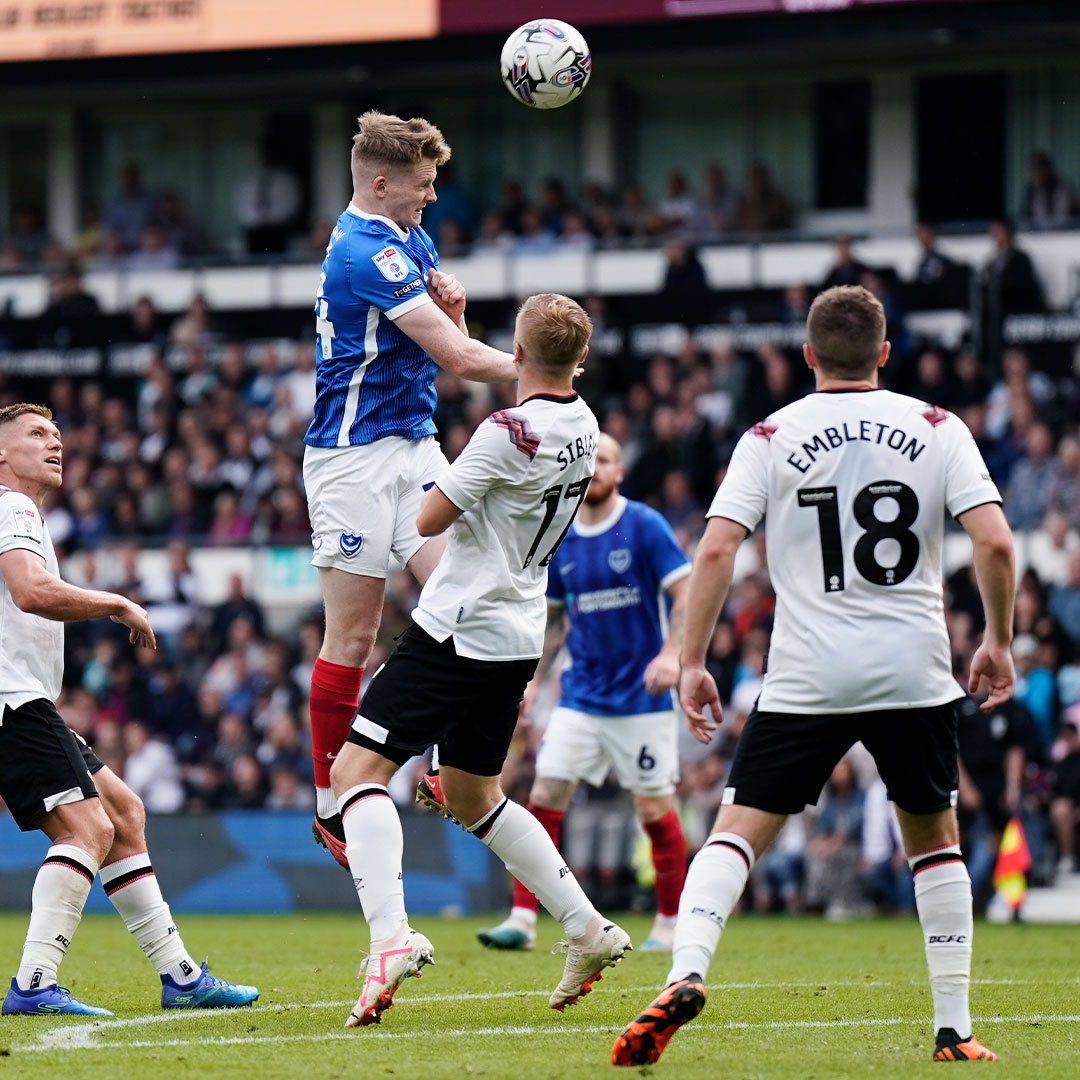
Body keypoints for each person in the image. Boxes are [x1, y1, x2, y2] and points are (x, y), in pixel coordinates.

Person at [612, 285, 1015, 1067]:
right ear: (886, 354)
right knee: (934, 840)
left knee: (736, 834)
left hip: (806, 676)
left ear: (807, 356)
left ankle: (686, 970)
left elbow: (719, 550)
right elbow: (996, 545)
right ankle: (954, 1029)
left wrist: (693, 660)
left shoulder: (770, 433)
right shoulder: (939, 427)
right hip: (913, 669)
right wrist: (998, 639)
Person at [328, 293, 630, 1028]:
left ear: (516, 356)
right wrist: (456, 337)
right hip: (516, 634)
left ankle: (390, 940)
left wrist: (406, 474)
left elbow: (429, 519)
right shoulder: (587, 426)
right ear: (579, 362)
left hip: (456, 628)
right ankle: (587, 927)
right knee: (472, 797)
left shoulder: (505, 431)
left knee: (353, 772)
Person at [304, 112, 523, 869]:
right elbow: (458, 357)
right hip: (353, 458)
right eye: (424, 186)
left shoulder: (407, 236)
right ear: (382, 182)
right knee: (354, 638)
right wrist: (545, 368)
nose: (432, 198)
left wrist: (456, 314)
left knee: (470, 595)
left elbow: (446, 340)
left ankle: (442, 765)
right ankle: (333, 802)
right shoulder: (368, 248)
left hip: (413, 444)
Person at [0, 403, 258, 1016]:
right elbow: (32, 592)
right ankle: (34, 983)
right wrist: (116, 601)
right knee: (88, 828)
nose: (54, 443)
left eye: (58, 434)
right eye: (36, 435)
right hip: (11, 699)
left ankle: (181, 976)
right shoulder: (10, 507)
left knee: (123, 811)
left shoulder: (22, 512)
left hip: (26, 697)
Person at [467, 433, 690, 953]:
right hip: (581, 696)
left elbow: (685, 589)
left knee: (655, 812)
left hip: (640, 698)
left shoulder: (644, 525)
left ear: (619, 472)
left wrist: (672, 653)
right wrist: (531, 683)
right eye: (595, 460)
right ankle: (522, 918)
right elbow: (557, 622)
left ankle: (671, 922)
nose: (601, 468)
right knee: (543, 798)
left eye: (610, 460)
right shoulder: (563, 537)